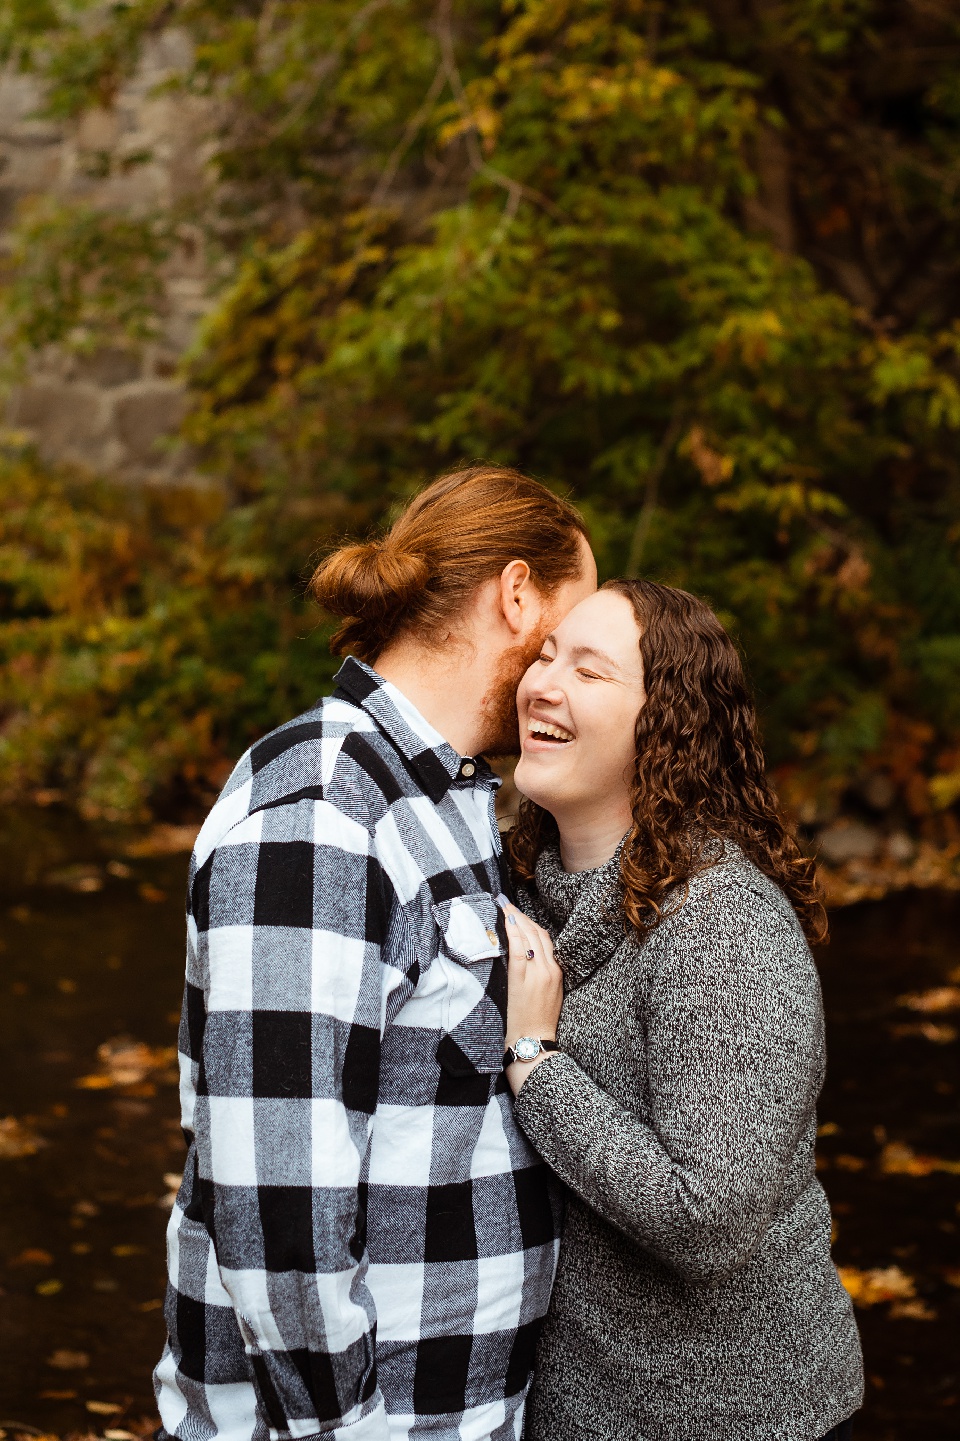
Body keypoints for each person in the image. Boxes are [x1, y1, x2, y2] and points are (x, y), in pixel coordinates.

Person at [154, 465, 597, 1441]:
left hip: (466, 1411)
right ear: (516, 594)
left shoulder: (455, 799)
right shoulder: (320, 810)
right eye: (562, 635)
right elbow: (279, 1198)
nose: (564, 675)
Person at [498, 579, 864, 1441]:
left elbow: (711, 1216)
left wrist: (535, 1061)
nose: (543, 683)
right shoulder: (533, 889)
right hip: (580, 1411)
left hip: (738, 1418)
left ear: (667, 725)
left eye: (589, 671)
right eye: (546, 655)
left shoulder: (720, 920)